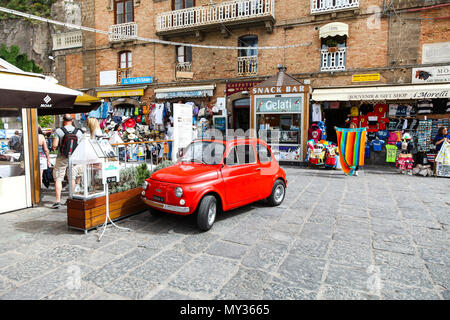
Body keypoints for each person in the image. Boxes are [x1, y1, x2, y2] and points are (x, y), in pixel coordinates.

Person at [51, 114, 83, 209]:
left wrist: (53, 147)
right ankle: (71, 198)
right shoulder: (78, 132)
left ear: (63, 120)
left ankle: (57, 201)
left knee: (58, 178)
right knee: (72, 177)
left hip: (62, 157)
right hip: (74, 157)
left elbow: (55, 145)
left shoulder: (59, 131)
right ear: (72, 120)